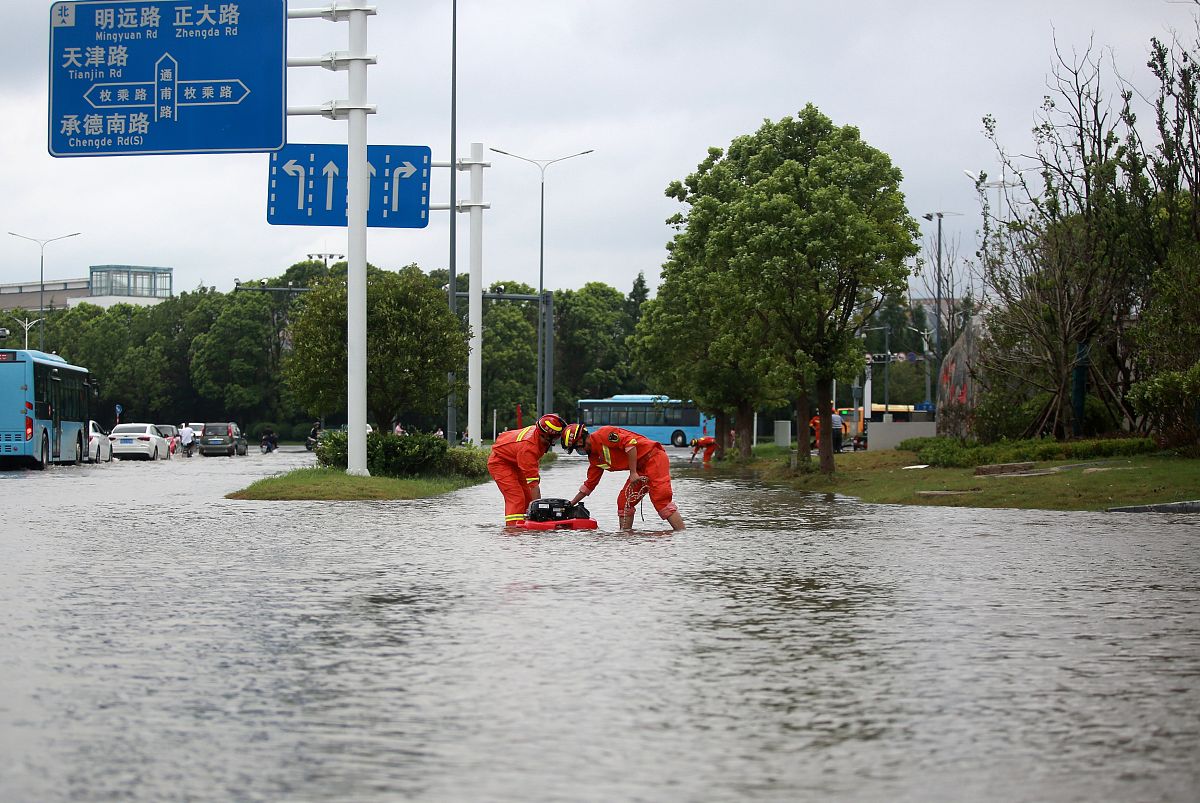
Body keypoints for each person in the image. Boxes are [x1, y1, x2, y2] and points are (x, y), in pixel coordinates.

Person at [562, 423, 685, 531]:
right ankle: (625, 539)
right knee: (624, 501)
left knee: (661, 499)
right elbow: (590, 484)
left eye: (576, 448)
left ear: (579, 441)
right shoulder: (594, 458)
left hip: (654, 457)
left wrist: (633, 473)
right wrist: (571, 504)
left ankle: (682, 536)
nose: (578, 451)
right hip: (639, 468)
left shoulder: (604, 434)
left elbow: (630, 445)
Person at [487, 414, 566, 527]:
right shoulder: (528, 448)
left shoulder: (539, 433)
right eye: (555, 438)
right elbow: (534, 485)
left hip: (515, 461)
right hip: (500, 463)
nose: (556, 440)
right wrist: (541, 511)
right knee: (516, 497)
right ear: (546, 436)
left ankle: (527, 525)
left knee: (528, 497)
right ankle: (513, 529)